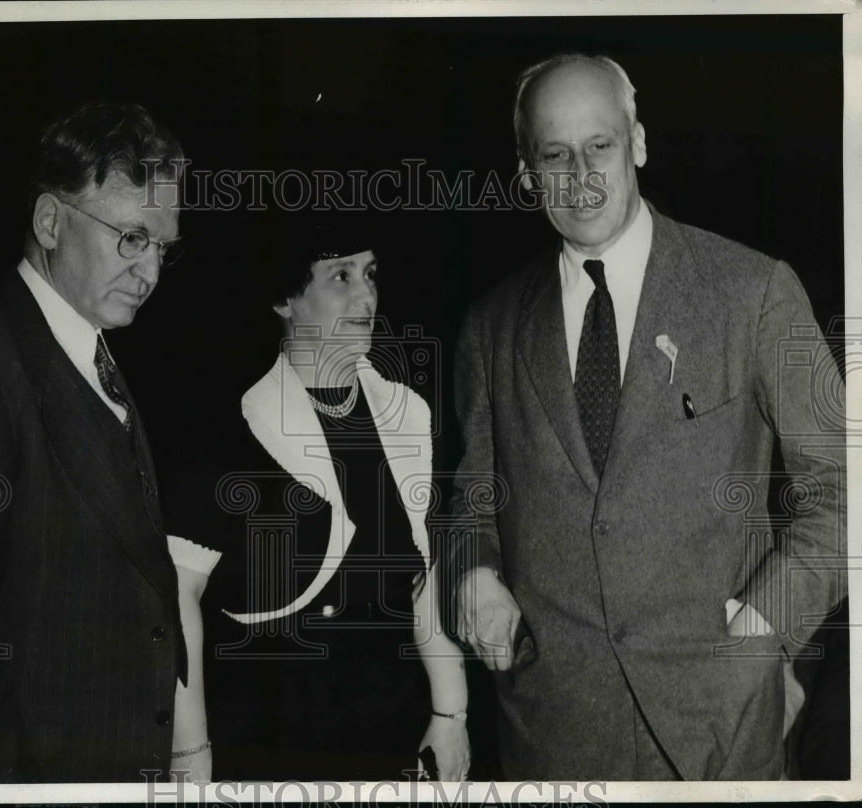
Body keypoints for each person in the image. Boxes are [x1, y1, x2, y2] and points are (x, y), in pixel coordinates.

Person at [449, 54, 845, 781]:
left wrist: (762, 631)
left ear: (636, 144)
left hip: (720, 735)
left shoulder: (753, 292)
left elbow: (843, 491)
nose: (580, 175)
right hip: (551, 736)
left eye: (599, 146)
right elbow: (474, 501)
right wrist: (473, 569)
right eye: (554, 154)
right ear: (528, 172)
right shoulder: (489, 328)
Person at [0, 101, 209, 783]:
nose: (150, 271)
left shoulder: (85, 348)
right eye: (131, 236)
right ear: (50, 221)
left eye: (163, 246)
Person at [165, 219, 470, 781]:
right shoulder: (229, 426)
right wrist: (189, 755)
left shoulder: (407, 413)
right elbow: (178, 596)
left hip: (393, 735)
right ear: (286, 299)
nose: (366, 295)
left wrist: (451, 714)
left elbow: (422, 576)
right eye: (341, 276)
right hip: (271, 742)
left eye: (371, 273)